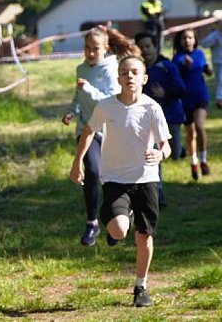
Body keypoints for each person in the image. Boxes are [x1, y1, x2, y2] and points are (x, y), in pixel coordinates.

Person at [69, 49, 171, 308]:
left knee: (144, 238)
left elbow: (166, 146)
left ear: (144, 78)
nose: (130, 77)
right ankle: (120, 220)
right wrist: (77, 161)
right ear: (118, 78)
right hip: (115, 179)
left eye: (135, 72)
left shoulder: (152, 108)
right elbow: (88, 131)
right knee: (118, 230)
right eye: (124, 73)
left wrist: (160, 154)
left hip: (146, 179)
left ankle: (141, 287)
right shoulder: (107, 106)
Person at [62, 26, 121, 247]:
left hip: (110, 131)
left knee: (111, 177)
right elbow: (79, 97)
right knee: (93, 171)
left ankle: (115, 221)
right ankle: (92, 222)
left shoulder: (110, 69)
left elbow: (111, 101)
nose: (91, 53)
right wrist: (71, 111)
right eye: (87, 48)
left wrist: (89, 90)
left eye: (95, 49)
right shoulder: (81, 69)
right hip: (86, 130)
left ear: (105, 48)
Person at [135, 31, 186, 209]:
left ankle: (180, 148)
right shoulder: (139, 72)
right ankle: (159, 192)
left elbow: (181, 89)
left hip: (172, 116)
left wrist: (166, 94)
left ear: (156, 47)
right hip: (151, 123)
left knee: (175, 154)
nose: (145, 51)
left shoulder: (167, 67)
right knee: (155, 156)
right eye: (141, 48)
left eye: (148, 46)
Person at [172, 29, 212, 181]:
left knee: (200, 127)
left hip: (200, 96)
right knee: (190, 133)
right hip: (184, 100)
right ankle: (193, 162)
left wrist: (208, 70)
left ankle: (203, 159)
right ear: (180, 41)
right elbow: (177, 74)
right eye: (184, 38)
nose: (187, 40)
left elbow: (204, 66)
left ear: (195, 40)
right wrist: (185, 66)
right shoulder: (178, 58)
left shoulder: (199, 54)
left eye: (190, 37)